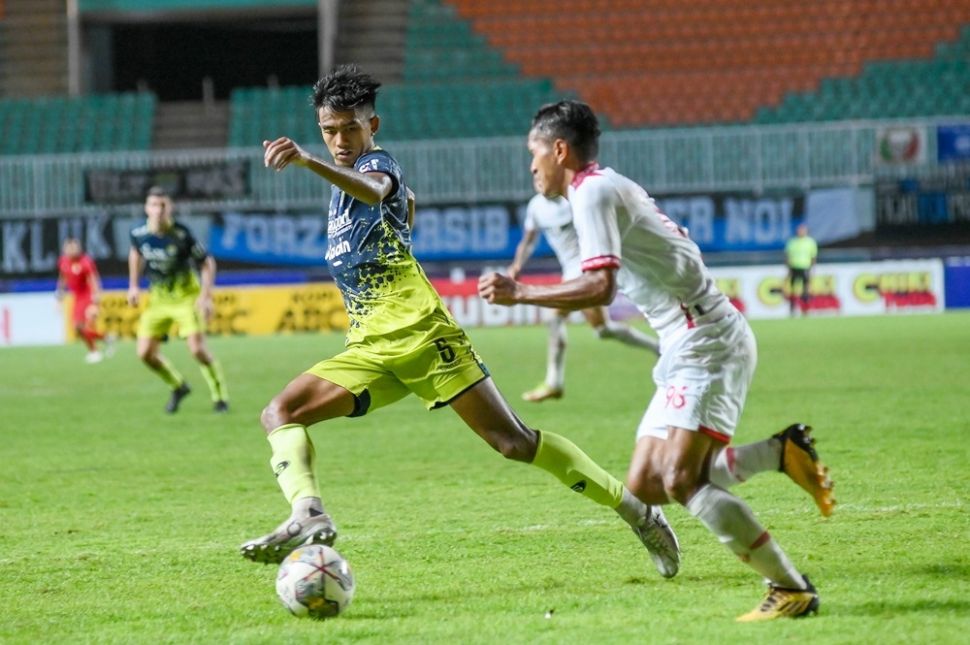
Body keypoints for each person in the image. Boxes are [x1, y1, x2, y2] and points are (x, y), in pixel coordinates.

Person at [238, 66, 680, 580]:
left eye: (349, 129)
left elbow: (379, 190)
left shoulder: (377, 165)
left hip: (424, 338)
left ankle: (637, 512)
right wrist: (402, 218)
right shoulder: (343, 190)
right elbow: (399, 206)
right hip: (369, 348)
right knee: (280, 412)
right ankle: (308, 514)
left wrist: (311, 162)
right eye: (329, 131)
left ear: (372, 125)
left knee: (513, 442)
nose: (339, 140)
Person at [478, 100, 835, 622]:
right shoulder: (599, 187)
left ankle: (790, 586)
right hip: (683, 342)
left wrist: (521, 293)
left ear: (559, 150)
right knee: (647, 482)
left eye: (534, 154)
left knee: (681, 480)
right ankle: (778, 453)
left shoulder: (593, 190)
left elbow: (600, 288)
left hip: (705, 337)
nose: (531, 166)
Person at [508, 190, 659, 402]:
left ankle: (554, 383)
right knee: (603, 329)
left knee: (555, 318)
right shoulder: (535, 206)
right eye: (534, 174)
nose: (538, 178)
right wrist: (516, 265)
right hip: (570, 271)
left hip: (587, 270)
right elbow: (528, 240)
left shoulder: (576, 198)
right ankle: (658, 348)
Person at [128, 186, 229, 414]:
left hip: (186, 298)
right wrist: (133, 286)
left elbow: (207, 263)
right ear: (146, 208)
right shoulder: (138, 234)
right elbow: (135, 253)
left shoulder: (182, 234)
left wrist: (206, 296)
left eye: (163, 205)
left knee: (197, 350)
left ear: (170, 208)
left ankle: (220, 396)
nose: (158, 210)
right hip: (158, 299)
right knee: (144, 354)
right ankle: (178, 386)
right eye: (154, 205)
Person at [56, 238, 115, 363]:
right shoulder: (63, 262)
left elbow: (93, 278)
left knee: (87, 326)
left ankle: (94, 351)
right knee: (77, 328)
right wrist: (59, 297)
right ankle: (105, 338)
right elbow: (62, 279)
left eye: (74, 247)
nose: (72, 250)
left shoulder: (85, 261)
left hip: (87, 296)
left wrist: (96, 298)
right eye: (69, 248)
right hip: (77, 297)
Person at [785, 224, 817, 316]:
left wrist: (812, 268)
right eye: (799, 230)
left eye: (802, 230)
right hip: (794, 267)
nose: (801, 232)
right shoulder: (792, 242)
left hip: (805, 267)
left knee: (805, 290)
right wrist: (788, 268)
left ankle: (805, 309)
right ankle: (792, 309)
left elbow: (813, 257)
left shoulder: (810, 242)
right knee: (792, 289)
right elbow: (787, 256)